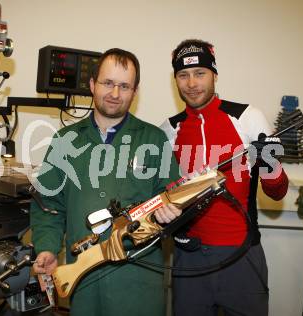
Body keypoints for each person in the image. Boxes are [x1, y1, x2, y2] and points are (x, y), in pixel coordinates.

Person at [31, 48, 182, 316]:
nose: (114, 94)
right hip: (84, 279)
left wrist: (170, 213)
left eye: (124, 86)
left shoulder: (153, 139)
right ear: (92, 85)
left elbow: (169, 195)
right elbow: (49, 205)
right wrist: (47, 247)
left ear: (135, 91)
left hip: (139, 280)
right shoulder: (65, 141)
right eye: (108, 83)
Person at [160, 39, 289, 316]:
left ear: (215, 75)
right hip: (189, 258)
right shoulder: (169, 130)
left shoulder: (248, 117)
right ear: (176, 81)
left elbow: (278, 193)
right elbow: (164, 198)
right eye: (183, 75)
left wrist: (270, 165)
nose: (192, 83)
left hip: (242, 255)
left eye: (200, 73)